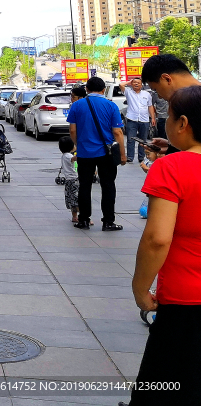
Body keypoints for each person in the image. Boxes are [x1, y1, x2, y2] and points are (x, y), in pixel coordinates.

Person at [127, 85, 201, 402]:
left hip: (186, 303)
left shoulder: (170, 168)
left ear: (182, 123)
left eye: (166, 116)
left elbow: (157, 239)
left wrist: (140, 289)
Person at [66, 76, 126, 231]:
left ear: (86, 89)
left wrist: (79, 146)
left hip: (85, 153)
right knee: (108, 186)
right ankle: (108, 221)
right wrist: (122, 153)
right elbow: (118, 132)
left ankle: (84, 220)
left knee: (84, 186)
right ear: (103, 89)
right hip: (106, 153)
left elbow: (72, 130)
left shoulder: (77, 105)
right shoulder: (110, 106)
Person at [124, 77, 156, 165]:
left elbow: (150, 106)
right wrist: (129, 82)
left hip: (144, 119)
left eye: (138, 83)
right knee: (130, 139)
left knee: (143, 140)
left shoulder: (147, 94)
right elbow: (121, 85)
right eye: (134, 83)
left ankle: (141, 157)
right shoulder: (128, 92)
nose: (136, 84)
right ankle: (130, 157)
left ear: (141, 85)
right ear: (132, 84)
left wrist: (152, 118)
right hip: (132, 119)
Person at [58, 135, 80, 224]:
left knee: (71, 199)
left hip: (68, 180)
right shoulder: (68, 156)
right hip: (74, 180)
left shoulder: (64, 155)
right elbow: (74, 159)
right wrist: (81, 152)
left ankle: (74, 216)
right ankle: (83, 216)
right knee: (77, 198)